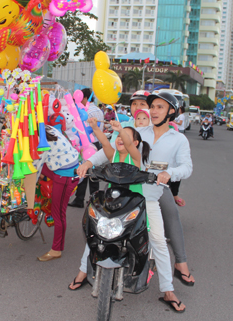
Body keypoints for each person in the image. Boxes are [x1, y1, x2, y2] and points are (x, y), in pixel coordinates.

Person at [71, 92, 193, 313]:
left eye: (159, 107)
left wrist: (169, 173)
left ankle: (167, 289)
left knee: (157, 240)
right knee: (99, 231)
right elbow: (108, 151)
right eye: (152, 107)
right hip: (122, 195)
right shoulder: (138, 131)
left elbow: (187, 167)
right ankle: (83, 271)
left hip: (150, 197)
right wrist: (88, 162)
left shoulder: (179, 139)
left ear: (171, 112)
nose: (153, 111)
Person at [35, 125, 80, 261]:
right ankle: (48, 179)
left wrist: (29, 184)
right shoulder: (46, 127)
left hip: (65, 176)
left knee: (58, 214)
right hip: (64, 167)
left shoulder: (40, 140)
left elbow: (35, 166)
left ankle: (56, 250)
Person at [68, 88, 103, 208]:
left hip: (87, 145)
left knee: (83, 172)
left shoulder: (87, 111)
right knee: (94, 175)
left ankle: (80, 199)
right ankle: (95, 201)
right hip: (97, 144)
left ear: (84, 98)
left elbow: (83, 130)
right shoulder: (98, 110)